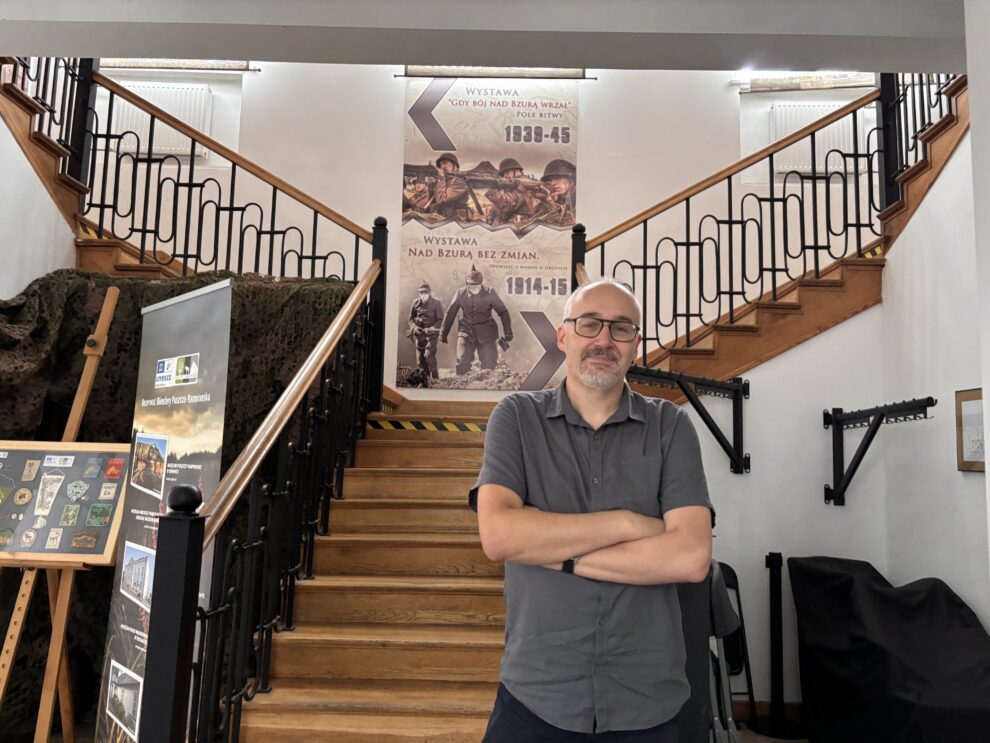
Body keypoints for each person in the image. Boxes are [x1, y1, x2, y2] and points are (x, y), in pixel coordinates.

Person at [472, 277, 714, 741]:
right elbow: (499, 537)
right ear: (563, 336)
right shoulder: (516, 418)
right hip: (538, 694)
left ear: (636, 346)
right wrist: (629, 523)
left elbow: (690, 557)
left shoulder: (670, 426)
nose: (604, 339)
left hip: (647, 699)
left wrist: (555, 553)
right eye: (589, 324)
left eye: (621, 328)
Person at [440, 266, 512, 374]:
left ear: (481, 283)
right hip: (466, 330)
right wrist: (443, 332)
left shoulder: (490, 292)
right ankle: (463, 382)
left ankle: (486, 382)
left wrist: (508, 332)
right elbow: (451, 312)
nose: (474, 288)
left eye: (477, 285)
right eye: (471, 285)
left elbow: (503, 312)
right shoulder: (460, 293)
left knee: (489, 364)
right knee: (462, 361)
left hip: (487, 331)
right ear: (467, 284)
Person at [406, 282, 444, 380]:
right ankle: (425, 380)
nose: (423, 294)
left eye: (425, 292)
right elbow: (410, 319)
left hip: (432, 335)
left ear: (429, 291)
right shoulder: (415, 302)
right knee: (420, 360)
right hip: (419, 335)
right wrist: (415, 328)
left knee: (429, 356)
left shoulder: (436, 303)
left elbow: (441, 319)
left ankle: (435, 378)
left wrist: (432, 328)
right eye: (420, 292)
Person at [538, 158, 577, 226]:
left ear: (571, 179)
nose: (553, 183)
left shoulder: (581, 199)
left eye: (557, 177)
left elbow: (564, 226)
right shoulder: (556, 198)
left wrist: (551, 204)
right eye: (550, 180)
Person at [433, 152, 471, 221]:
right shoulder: (447, 181)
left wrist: (441, 178)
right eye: (440, 165)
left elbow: (441, 199)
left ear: (455, 165)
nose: (442, 167)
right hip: (447, 219)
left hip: (459, 220)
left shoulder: (460, 181)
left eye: (445, 163)